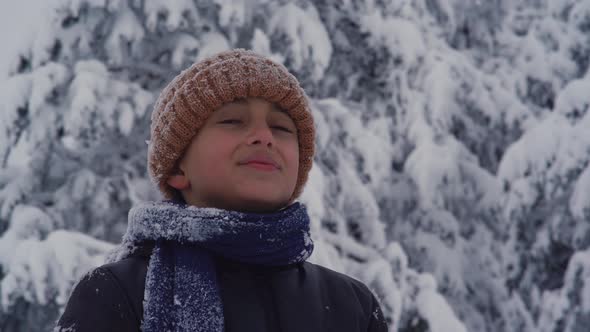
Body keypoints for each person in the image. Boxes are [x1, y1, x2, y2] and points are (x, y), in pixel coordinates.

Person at [55, 49, 388, 332]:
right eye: (232, 121)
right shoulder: (116, 292)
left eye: (281, 127)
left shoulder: (351, 305)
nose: (264, 136)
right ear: (177, 169)